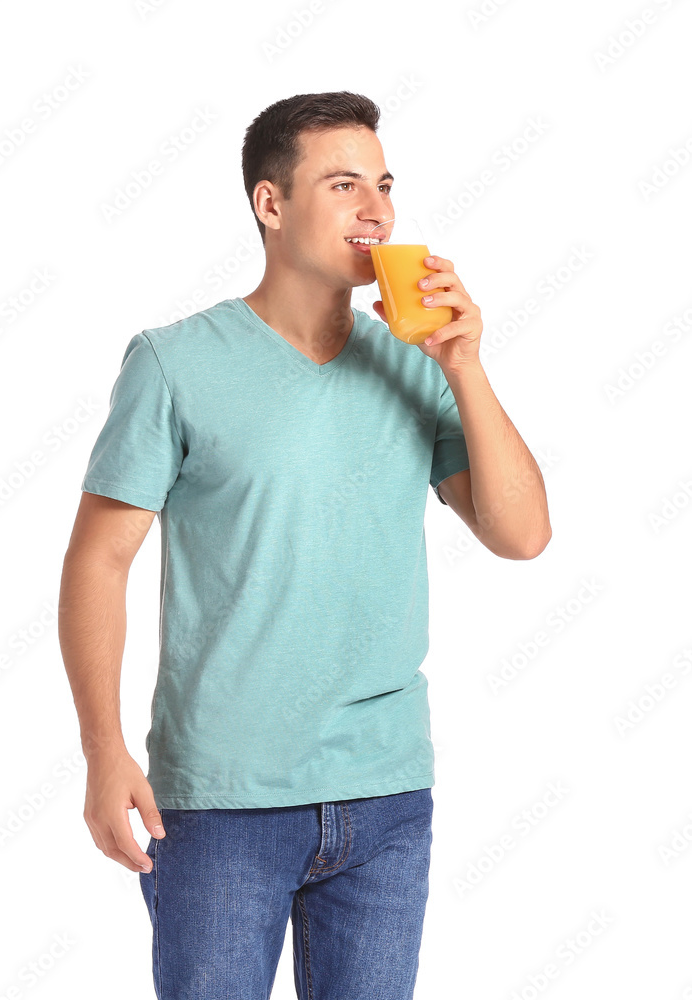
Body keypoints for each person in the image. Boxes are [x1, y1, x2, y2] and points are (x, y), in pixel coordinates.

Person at [58, 90, 551, 1000]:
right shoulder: (173, 362)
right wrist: (103, 751)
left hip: (387, 793)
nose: (379, 210)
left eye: (386, 184)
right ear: (270, 204)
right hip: (218, 803)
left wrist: (467, 365)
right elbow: (100, 560)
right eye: (344, 184)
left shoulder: (416, 363)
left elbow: (522, 534)